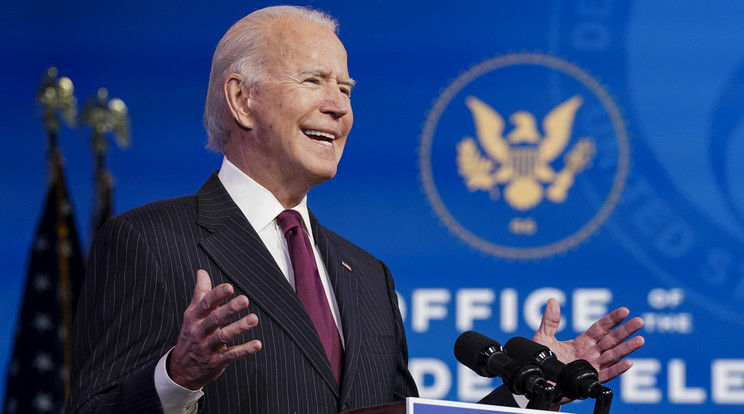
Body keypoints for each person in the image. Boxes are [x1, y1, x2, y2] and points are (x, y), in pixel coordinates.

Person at [65, 5, 644, 414]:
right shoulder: (150, 241)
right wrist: (176, 379)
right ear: (243, 100)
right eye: (315, 80)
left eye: (347, 88)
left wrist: (532, 389)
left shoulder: (366, 275)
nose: (338, 107)